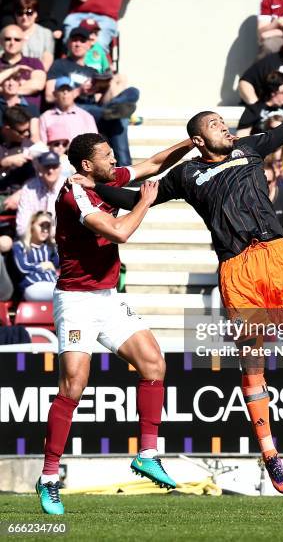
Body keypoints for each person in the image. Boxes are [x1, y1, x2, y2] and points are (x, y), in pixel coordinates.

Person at [84, 96, 283, 495]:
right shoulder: (186, 175)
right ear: (198, 138)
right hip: (237, 268)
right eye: (214, 124)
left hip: (278, 257)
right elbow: (133, 197)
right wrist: (94, 186)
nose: (224, 126)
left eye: (223, 121)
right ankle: (270, 454)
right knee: (253, 362)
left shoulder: (250, 148)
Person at [36, 131, 194, 515]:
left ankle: (147, 453)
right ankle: (49, 478)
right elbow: (121, 231)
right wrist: (145, 202)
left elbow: (153, 164)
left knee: (154, 363)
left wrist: (190, 144)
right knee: (74, 385)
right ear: (87, 164)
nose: (115, 159)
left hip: (107, 298)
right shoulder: (76, 195)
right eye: (107, 155)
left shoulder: (105, 179)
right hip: (75, 300)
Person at [46, 26, 138, 165]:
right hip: (75, 108)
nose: (77, 44)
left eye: (82, 41)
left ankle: (114, 109)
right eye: (74, 40)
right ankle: (126, 166)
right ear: (69, 43)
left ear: (89, 45)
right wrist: (79, 91)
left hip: (97, 109)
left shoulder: (93, 71)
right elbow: (49, 96)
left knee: (133, 91)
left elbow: (100, 100)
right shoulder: (59, 65)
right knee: (120, 118)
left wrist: (105, 87)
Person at [12, 210, 59, 301]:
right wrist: (42, 265)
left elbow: (58, 264)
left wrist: (56, 245)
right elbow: (23, 268)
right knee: (65, 295)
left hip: (52, 284)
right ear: (32, 226)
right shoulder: (19, 246)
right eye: (41, 226)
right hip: (32, 285)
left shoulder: (50, 248)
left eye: (48, 227)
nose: (45, 230)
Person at [15, 151, 63, 238]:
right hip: (32, 239)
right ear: (40, 168)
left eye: (54, 166)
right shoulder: (29, 188)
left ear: (60, 168)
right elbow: (21, 227)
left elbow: (69, 226)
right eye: (47, 166)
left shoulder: (68, 187)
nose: (51, 170)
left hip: (59, 241)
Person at [39, 76, 98, 146]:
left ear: (74, 93)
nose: (65, 92)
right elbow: (43, 146)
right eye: (61, 90)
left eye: (69, 90)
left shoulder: (86, 117)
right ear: (55, 94)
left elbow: (95, 145)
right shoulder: (45, 117)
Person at [0, 24, 46, 109]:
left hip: (28, 116)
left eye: (17, 39)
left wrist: (5, 89)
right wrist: (13, 70)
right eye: (7, 39)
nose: (12, 43)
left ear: (23, 42)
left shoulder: (34, 63)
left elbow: (38, 85)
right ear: (1, 41)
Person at [0, 106, 36, 214]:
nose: (26, 134)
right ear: (7, 129)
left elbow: (35, 179)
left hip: (21, 195)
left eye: (28, 130)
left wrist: (21, 193)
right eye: (22, 131)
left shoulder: (30, 147)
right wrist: (3, 163)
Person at [14, 0, 55, 71]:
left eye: (29, 13)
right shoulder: (9, 34)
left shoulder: (46, 34)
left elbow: (47, 62)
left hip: (37, 76)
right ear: (15, 15)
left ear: (36, 14)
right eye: (20, 13)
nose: (24, 17)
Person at [0, 69, 40, 137]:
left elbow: (34, 135)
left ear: (20, 83)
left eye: (15, 79)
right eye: (7, 80)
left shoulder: (31, 108)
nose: (11, 83)